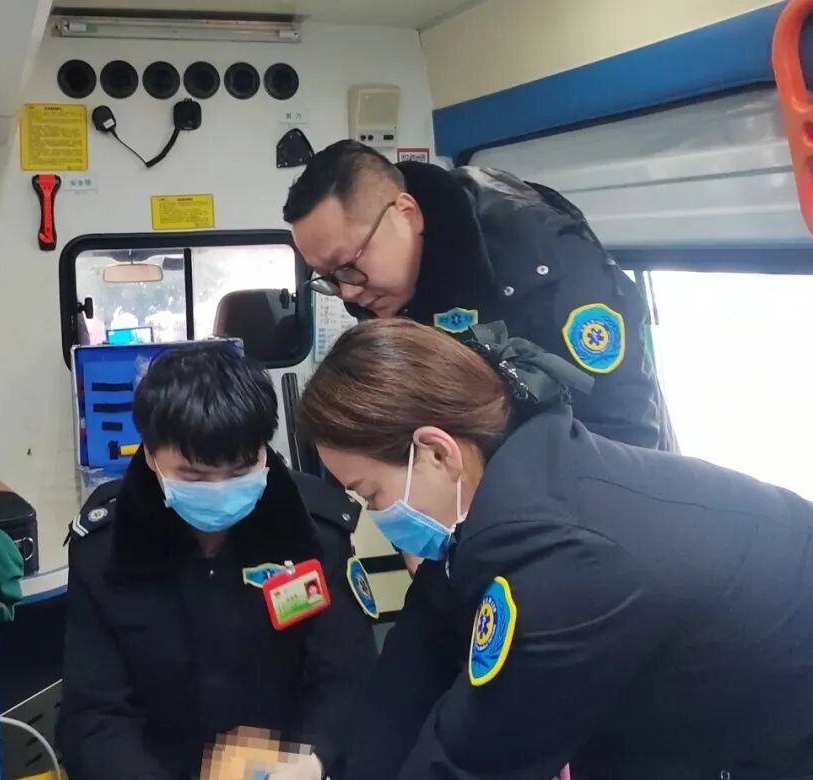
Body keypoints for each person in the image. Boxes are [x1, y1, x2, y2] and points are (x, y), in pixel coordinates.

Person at [296, 318, 813, 780]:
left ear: (435, 452)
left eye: (371, 494)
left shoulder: (558, 566)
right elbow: (419, 652)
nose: (376, 514)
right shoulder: (512, 479)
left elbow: (477, 760)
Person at [57, 343, 379, 780]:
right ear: (150, 455)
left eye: (241, 471)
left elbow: (347, 678)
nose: (221, 489)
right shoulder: (107, 549)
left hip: (288, 765)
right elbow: (95, 713)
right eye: (194, 476)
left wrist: (312, 761)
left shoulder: (313, 532)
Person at [284, 140, 674, 452]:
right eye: (330, 279)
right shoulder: (382, 290)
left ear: (407, 213)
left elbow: (624, 431)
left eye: (347, 265)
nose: (348, 292)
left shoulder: (547, 268)